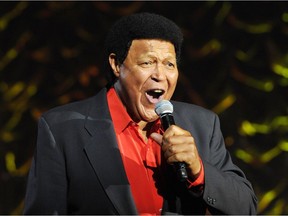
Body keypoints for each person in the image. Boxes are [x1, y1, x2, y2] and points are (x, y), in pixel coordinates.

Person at [23, 12, 257, 215]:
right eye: (147, 63)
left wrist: (199, 170)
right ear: (116, 65)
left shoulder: (202, 124)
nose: (160, 75)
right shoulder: (62, 128)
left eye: (169, 64)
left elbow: (246, 207)